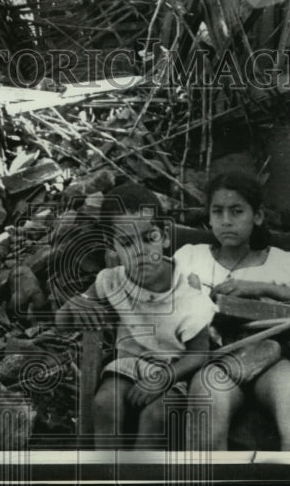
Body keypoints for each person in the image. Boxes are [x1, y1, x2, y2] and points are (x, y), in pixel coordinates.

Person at [177, 170, 290, 451]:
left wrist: (266, 289)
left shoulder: (283, 263)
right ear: (209, 217)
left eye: (237, 211)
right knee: (207, 409)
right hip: (215, 359)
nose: (226, 221)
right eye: (218, 212)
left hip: (273, 358)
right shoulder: (190, 257)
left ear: (258, 216)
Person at [55, 184, 216, 449]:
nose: (140, 251)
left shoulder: (186, 287)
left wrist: (163, 379)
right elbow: (62, 323)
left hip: (174, 371)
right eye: (127, 243)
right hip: (127, 367)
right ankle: (106, 475)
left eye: (148, 237)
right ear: (113, 247)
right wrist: (76, 304)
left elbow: (200, 352)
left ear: (164, 237)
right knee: (105, 404)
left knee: (156, 417)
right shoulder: (111, 280)